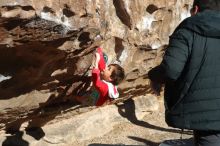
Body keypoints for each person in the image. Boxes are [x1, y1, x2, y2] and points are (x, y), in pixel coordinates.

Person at [148, 0, 220, 145]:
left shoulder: (187, 31)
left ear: (195, 9)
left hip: (205, 116)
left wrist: (153, 76)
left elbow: (170, 70)